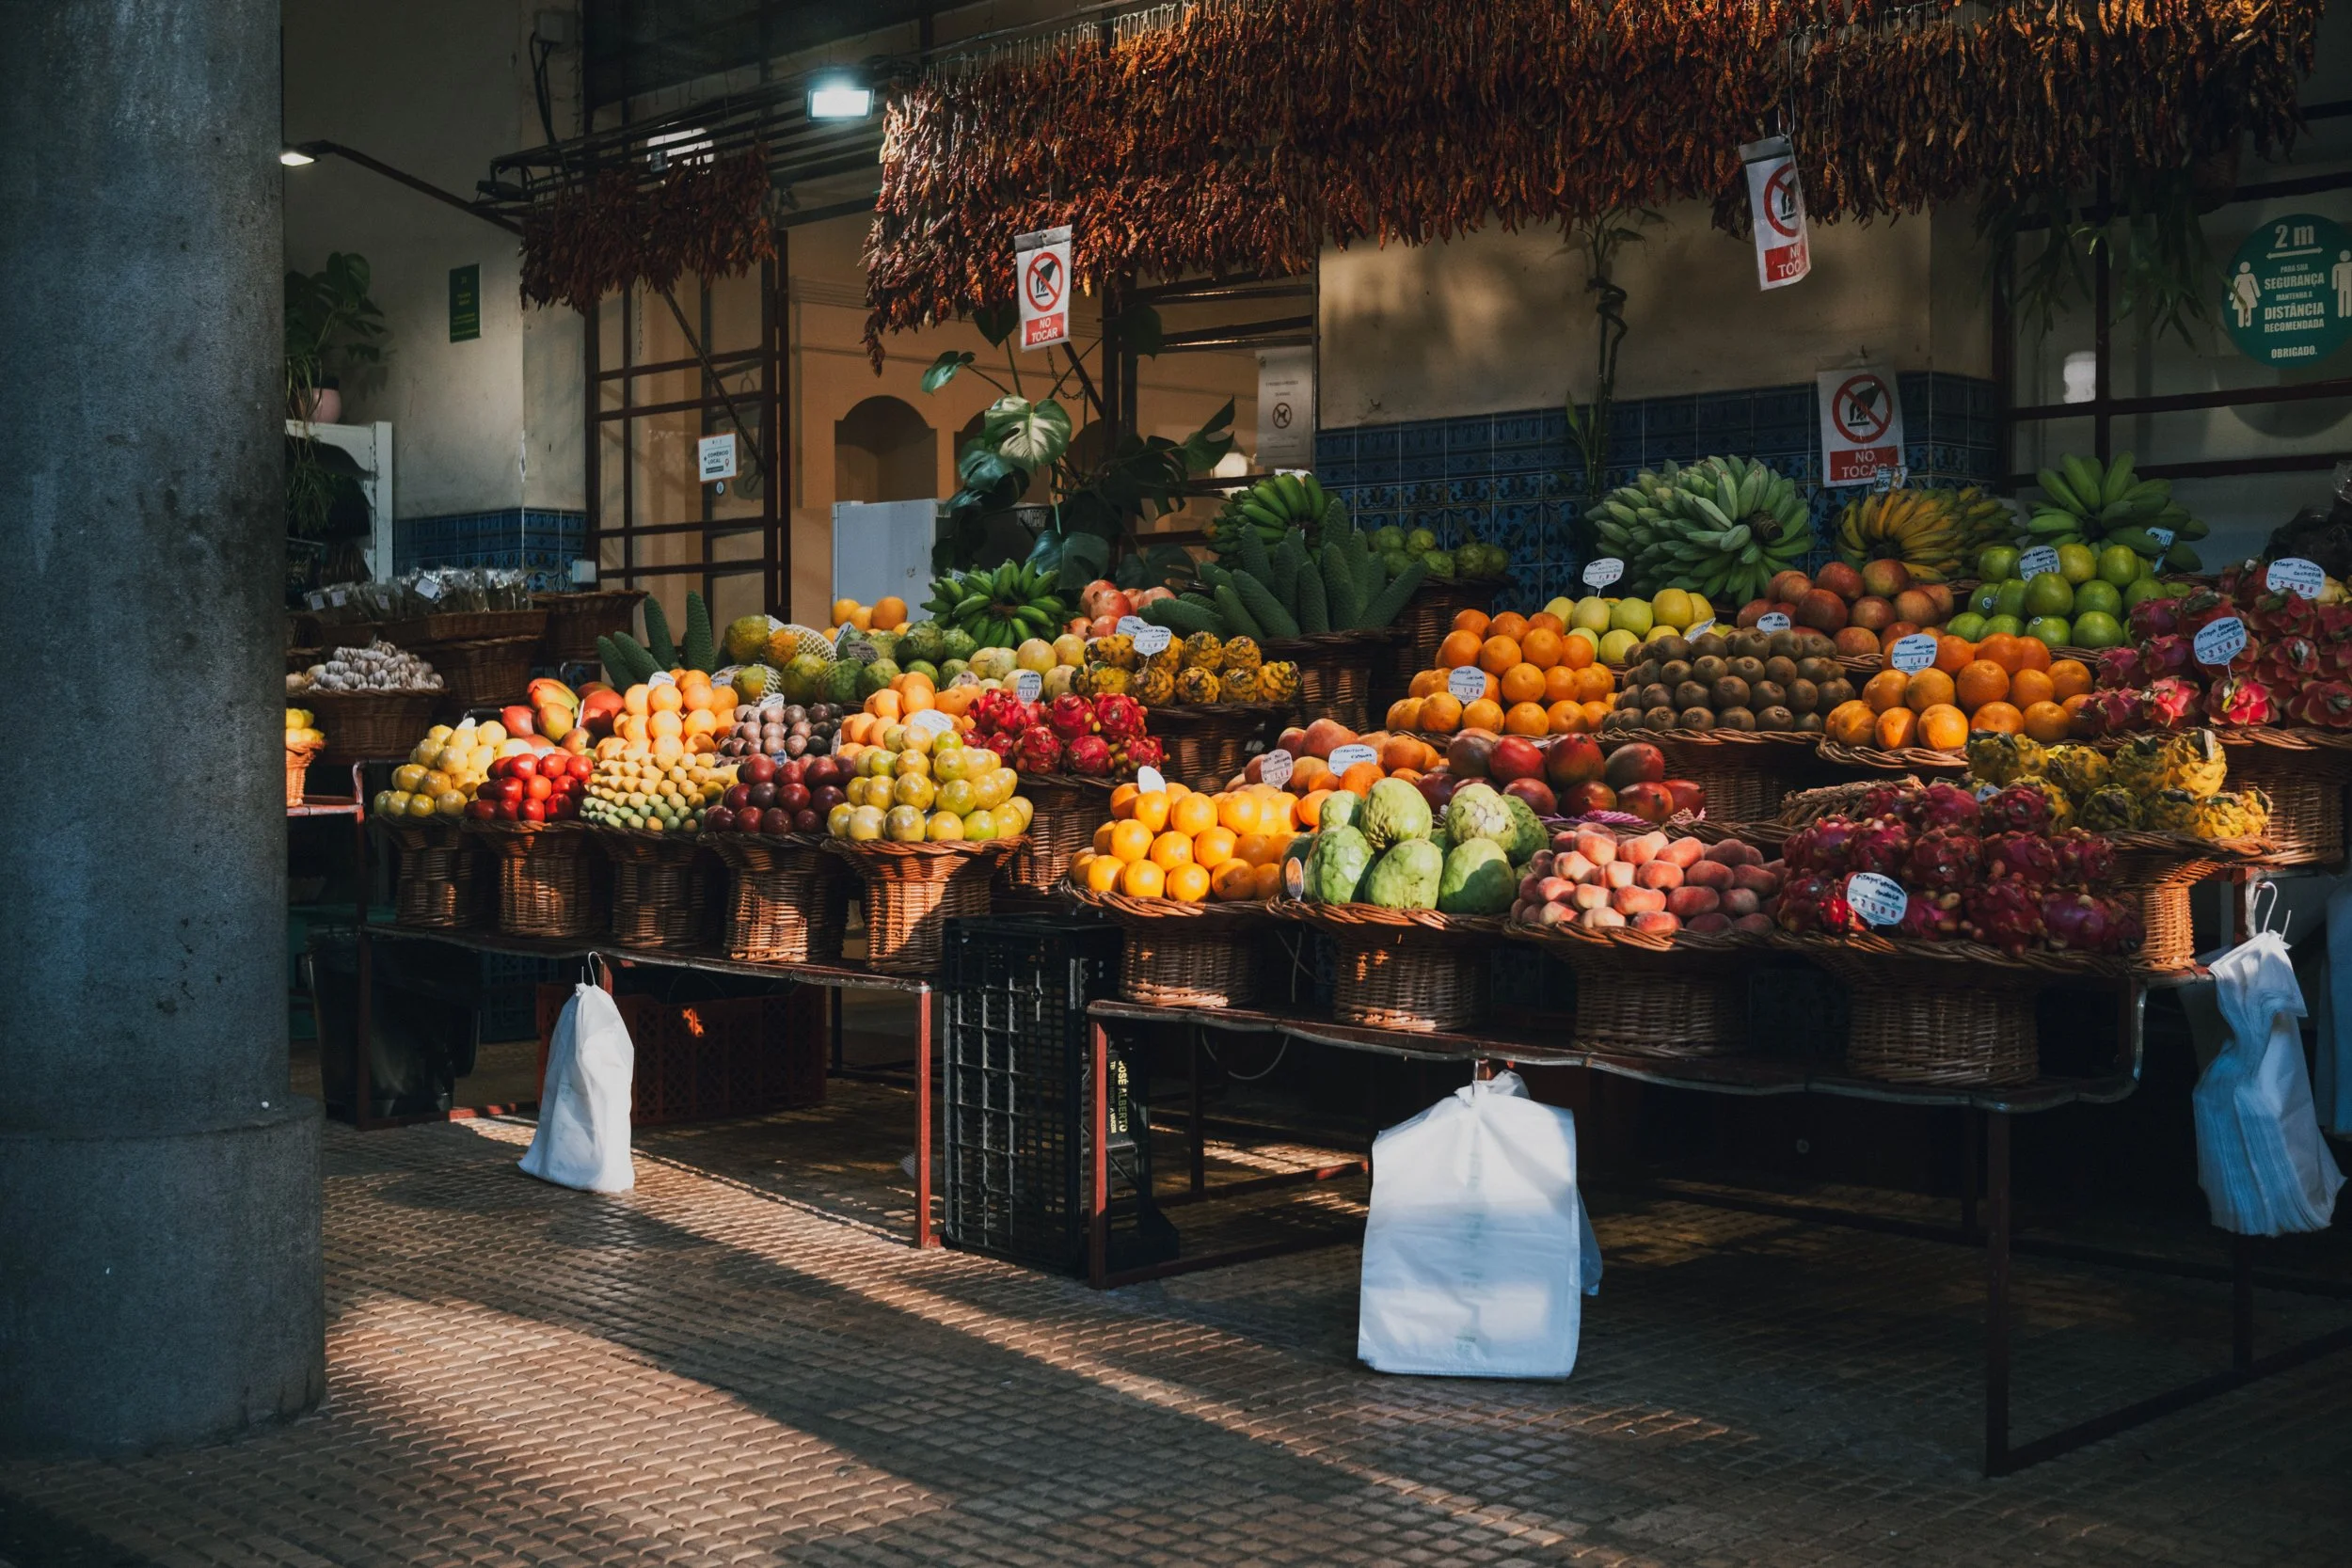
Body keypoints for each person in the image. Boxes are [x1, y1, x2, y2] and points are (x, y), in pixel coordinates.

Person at [2233, 261, 2262, 329]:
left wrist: (2258, 294)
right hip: (2241, 294)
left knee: (2248, 308)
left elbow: (2254, 284)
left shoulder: (2250, 275)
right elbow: (2234, 286)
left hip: (2248, 294)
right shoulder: (2238, 277)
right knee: (2241, 308)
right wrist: (2231, 296)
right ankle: (2241, 323)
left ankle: (2247, 322)